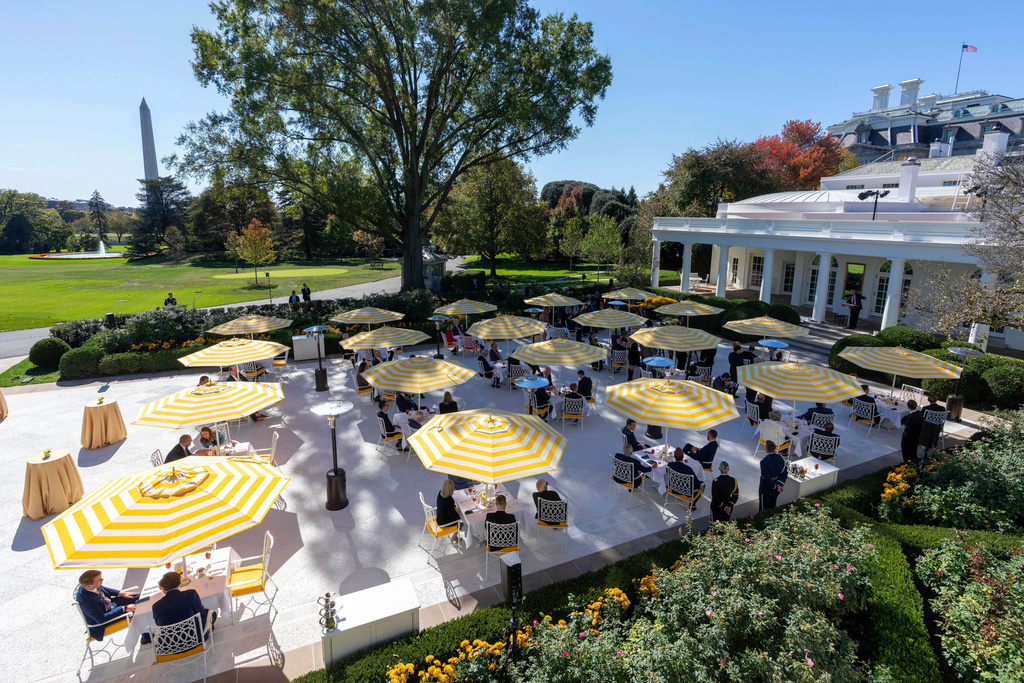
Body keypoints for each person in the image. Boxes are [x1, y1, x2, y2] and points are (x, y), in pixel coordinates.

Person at [75, 570, 138, 641]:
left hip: (109, 605)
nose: (102, 580)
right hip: (103, 622)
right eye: (99, 580)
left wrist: (121, 593)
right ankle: (146, 637)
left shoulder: (89, 587)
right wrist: (124, 609)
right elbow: (101, 619)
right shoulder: (87, 601)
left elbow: (103, 588)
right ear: (89, 586)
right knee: (139, 610)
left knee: (139, 597)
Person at [152, 571, 215, 641]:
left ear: (163, 589)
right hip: (195, 639)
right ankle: (210, 624)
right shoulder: (191, 594)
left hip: (170, 645)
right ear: (179, 583)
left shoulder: (156, 607)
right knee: (205, 612)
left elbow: (159, 624)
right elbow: (200, 611)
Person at [758, 441, 788, 511]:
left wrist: (775, 487)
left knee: (763, 508)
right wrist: (779, 484)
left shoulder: (764, 462)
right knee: (772, 505)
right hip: (776, 486)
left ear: (766, 449)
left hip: (765, 488)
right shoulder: (781, 458)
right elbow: (784, 473)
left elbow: (766, 477)